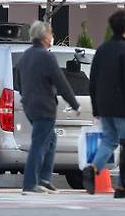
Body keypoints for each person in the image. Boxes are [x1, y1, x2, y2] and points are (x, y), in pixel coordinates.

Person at [83, 10, 125, 198]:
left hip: (104, 105)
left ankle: (93, 168)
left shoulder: (101, 50)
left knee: (109, 140)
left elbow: (93, 80)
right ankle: (123, 186)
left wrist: (96, 107)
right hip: (123, 108)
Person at [17, 21, 80, 195]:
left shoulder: (25, 56)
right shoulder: (47, 57)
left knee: (50, 140)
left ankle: (44, 179)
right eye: (51, 34)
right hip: (44, 107)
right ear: (45, 37)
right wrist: (75, 104)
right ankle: (30, 184)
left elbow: (20, 82)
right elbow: (61, 83)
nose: (52, 37)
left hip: (30, 106)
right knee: (39, 144)